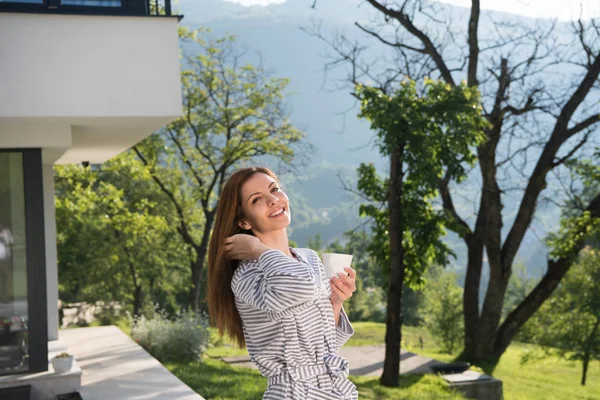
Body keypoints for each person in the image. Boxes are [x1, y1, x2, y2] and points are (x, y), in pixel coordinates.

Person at [207, 167, 358, 400]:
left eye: (274, 189)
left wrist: (335, 303)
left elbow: (326, 346)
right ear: (244, 221)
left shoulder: (309, 258)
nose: (273, 200)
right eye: (257, 199)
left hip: (334, 390)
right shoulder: (248, 277)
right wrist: (258, 250)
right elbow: (301, 287)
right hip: (293, 393)